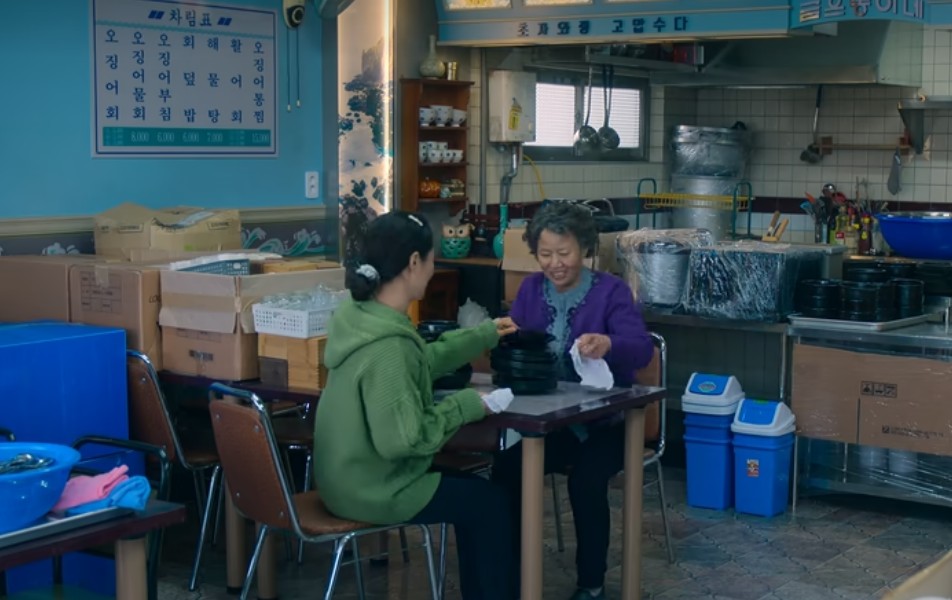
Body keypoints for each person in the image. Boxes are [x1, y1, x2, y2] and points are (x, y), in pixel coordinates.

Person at [313, 210, 519, 600]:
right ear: (413, 263)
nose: (432, 269)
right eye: (430, 259)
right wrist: (467, 405)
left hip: (343, 477)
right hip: (372, 489)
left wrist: (483, 335)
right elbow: (404, 440)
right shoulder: (389, 345)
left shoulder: (361, 316)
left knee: (481, 497)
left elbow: (422, 359)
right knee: (489, 506)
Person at [491, 201, 655, 600]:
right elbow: (521, 345)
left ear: (584, 248)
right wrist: (505, 337)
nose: (555, 264)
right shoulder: (531, 289)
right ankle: (511, 575)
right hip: (552, 420)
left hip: (607, 423)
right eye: (545, 254)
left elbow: (641, 349)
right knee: (507, 471)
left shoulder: (612, 292)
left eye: (563, 253)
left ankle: (591, 583)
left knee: (586, 482)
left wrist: (609, 343)